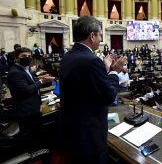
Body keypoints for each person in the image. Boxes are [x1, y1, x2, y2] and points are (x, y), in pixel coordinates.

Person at [59, 16, 127, 164]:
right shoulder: (91, 60)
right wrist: (114, 71)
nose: (101, 39)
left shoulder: (68, 56)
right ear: (92, 36)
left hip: (72, 127)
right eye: (100, 35)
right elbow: (109, 96)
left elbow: (86, 84)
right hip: (90, 134)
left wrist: (103, 68)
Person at [7, 47, 54, 151]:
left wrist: (40, 78)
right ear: (16, 58)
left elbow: (30, 81)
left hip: (33, 107)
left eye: (29, 56)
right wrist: (42, 82)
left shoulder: (25, 68)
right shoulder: (15, 72)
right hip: (25, 109)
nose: (27, 58)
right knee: (27, 135)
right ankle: (28, 155)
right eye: (23, 56)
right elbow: (27, 90)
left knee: (35, 132)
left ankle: (36, 151)